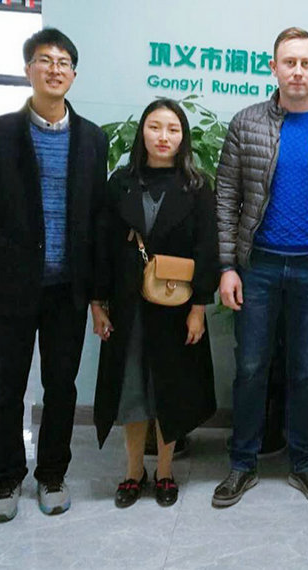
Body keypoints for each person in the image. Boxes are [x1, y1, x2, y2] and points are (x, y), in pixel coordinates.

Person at [0, 28, 108, 522]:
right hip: (10, 286)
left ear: (73, 74)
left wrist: (97, 294)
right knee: (6, 388)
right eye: (45, 60)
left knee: (61, 387)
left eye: (64, 62)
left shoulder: (93, 139)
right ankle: (6, 478)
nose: (54, 69)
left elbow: (96, 221)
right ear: (29, 70)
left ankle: (52, 475)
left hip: (68, 288)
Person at [213, 27, 308, 508]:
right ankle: (242, 464)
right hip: (256, 266)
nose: (297, 71)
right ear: (273, 67)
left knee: (304, 372)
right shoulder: (247, 123)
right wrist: (227, 266)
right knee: (250, 368)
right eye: (289, 62)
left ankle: (304, 464)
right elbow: (226, 197)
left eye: (306, 63)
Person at [92, 99, 218, 509]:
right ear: (142, 133)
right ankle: (133, 471)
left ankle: (164, 470)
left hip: (176, 306)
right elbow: (102, 248)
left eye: (173, 129)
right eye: (155, 127)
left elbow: (207, 250)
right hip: (127, 305)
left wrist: (199, 308)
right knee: (131, 388)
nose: (163, 137)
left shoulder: (197, 187)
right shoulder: (120, 183)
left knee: (171, 389)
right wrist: (98, 303)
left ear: (183, 137)